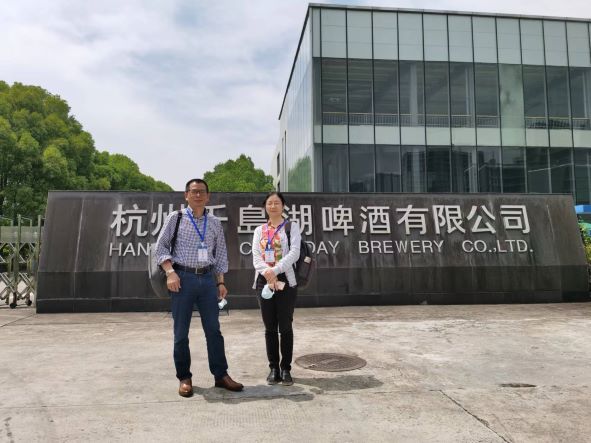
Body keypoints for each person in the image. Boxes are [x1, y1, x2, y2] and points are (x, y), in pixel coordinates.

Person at [155, 178, 243, 397]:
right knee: (181, 332)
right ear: (186, 195)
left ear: (208, 196)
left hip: (207, 280)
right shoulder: (175, 218)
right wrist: (170, 272)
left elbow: (220, 254)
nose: (197, 195)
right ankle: (184, 377)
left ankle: (221, 375)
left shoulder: (213, 223)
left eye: (202, 191)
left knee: (213, 330)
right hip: (182, 278)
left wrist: (220, 282)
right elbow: (161, 247)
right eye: (193, 191)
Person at [252, 192, 300, 386]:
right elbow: (256, 255)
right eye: (270, 203)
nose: (273, 206)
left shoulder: (291, 227)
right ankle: (273, 368)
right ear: (265, 207)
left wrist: (276, 270)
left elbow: (295, 253)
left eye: (277, 203)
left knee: (285, 327)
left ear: (283, 206)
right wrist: (267, 272)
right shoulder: (259, 230)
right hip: (264, 281)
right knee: (269, 327)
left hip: (285, 280)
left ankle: (286, 368)